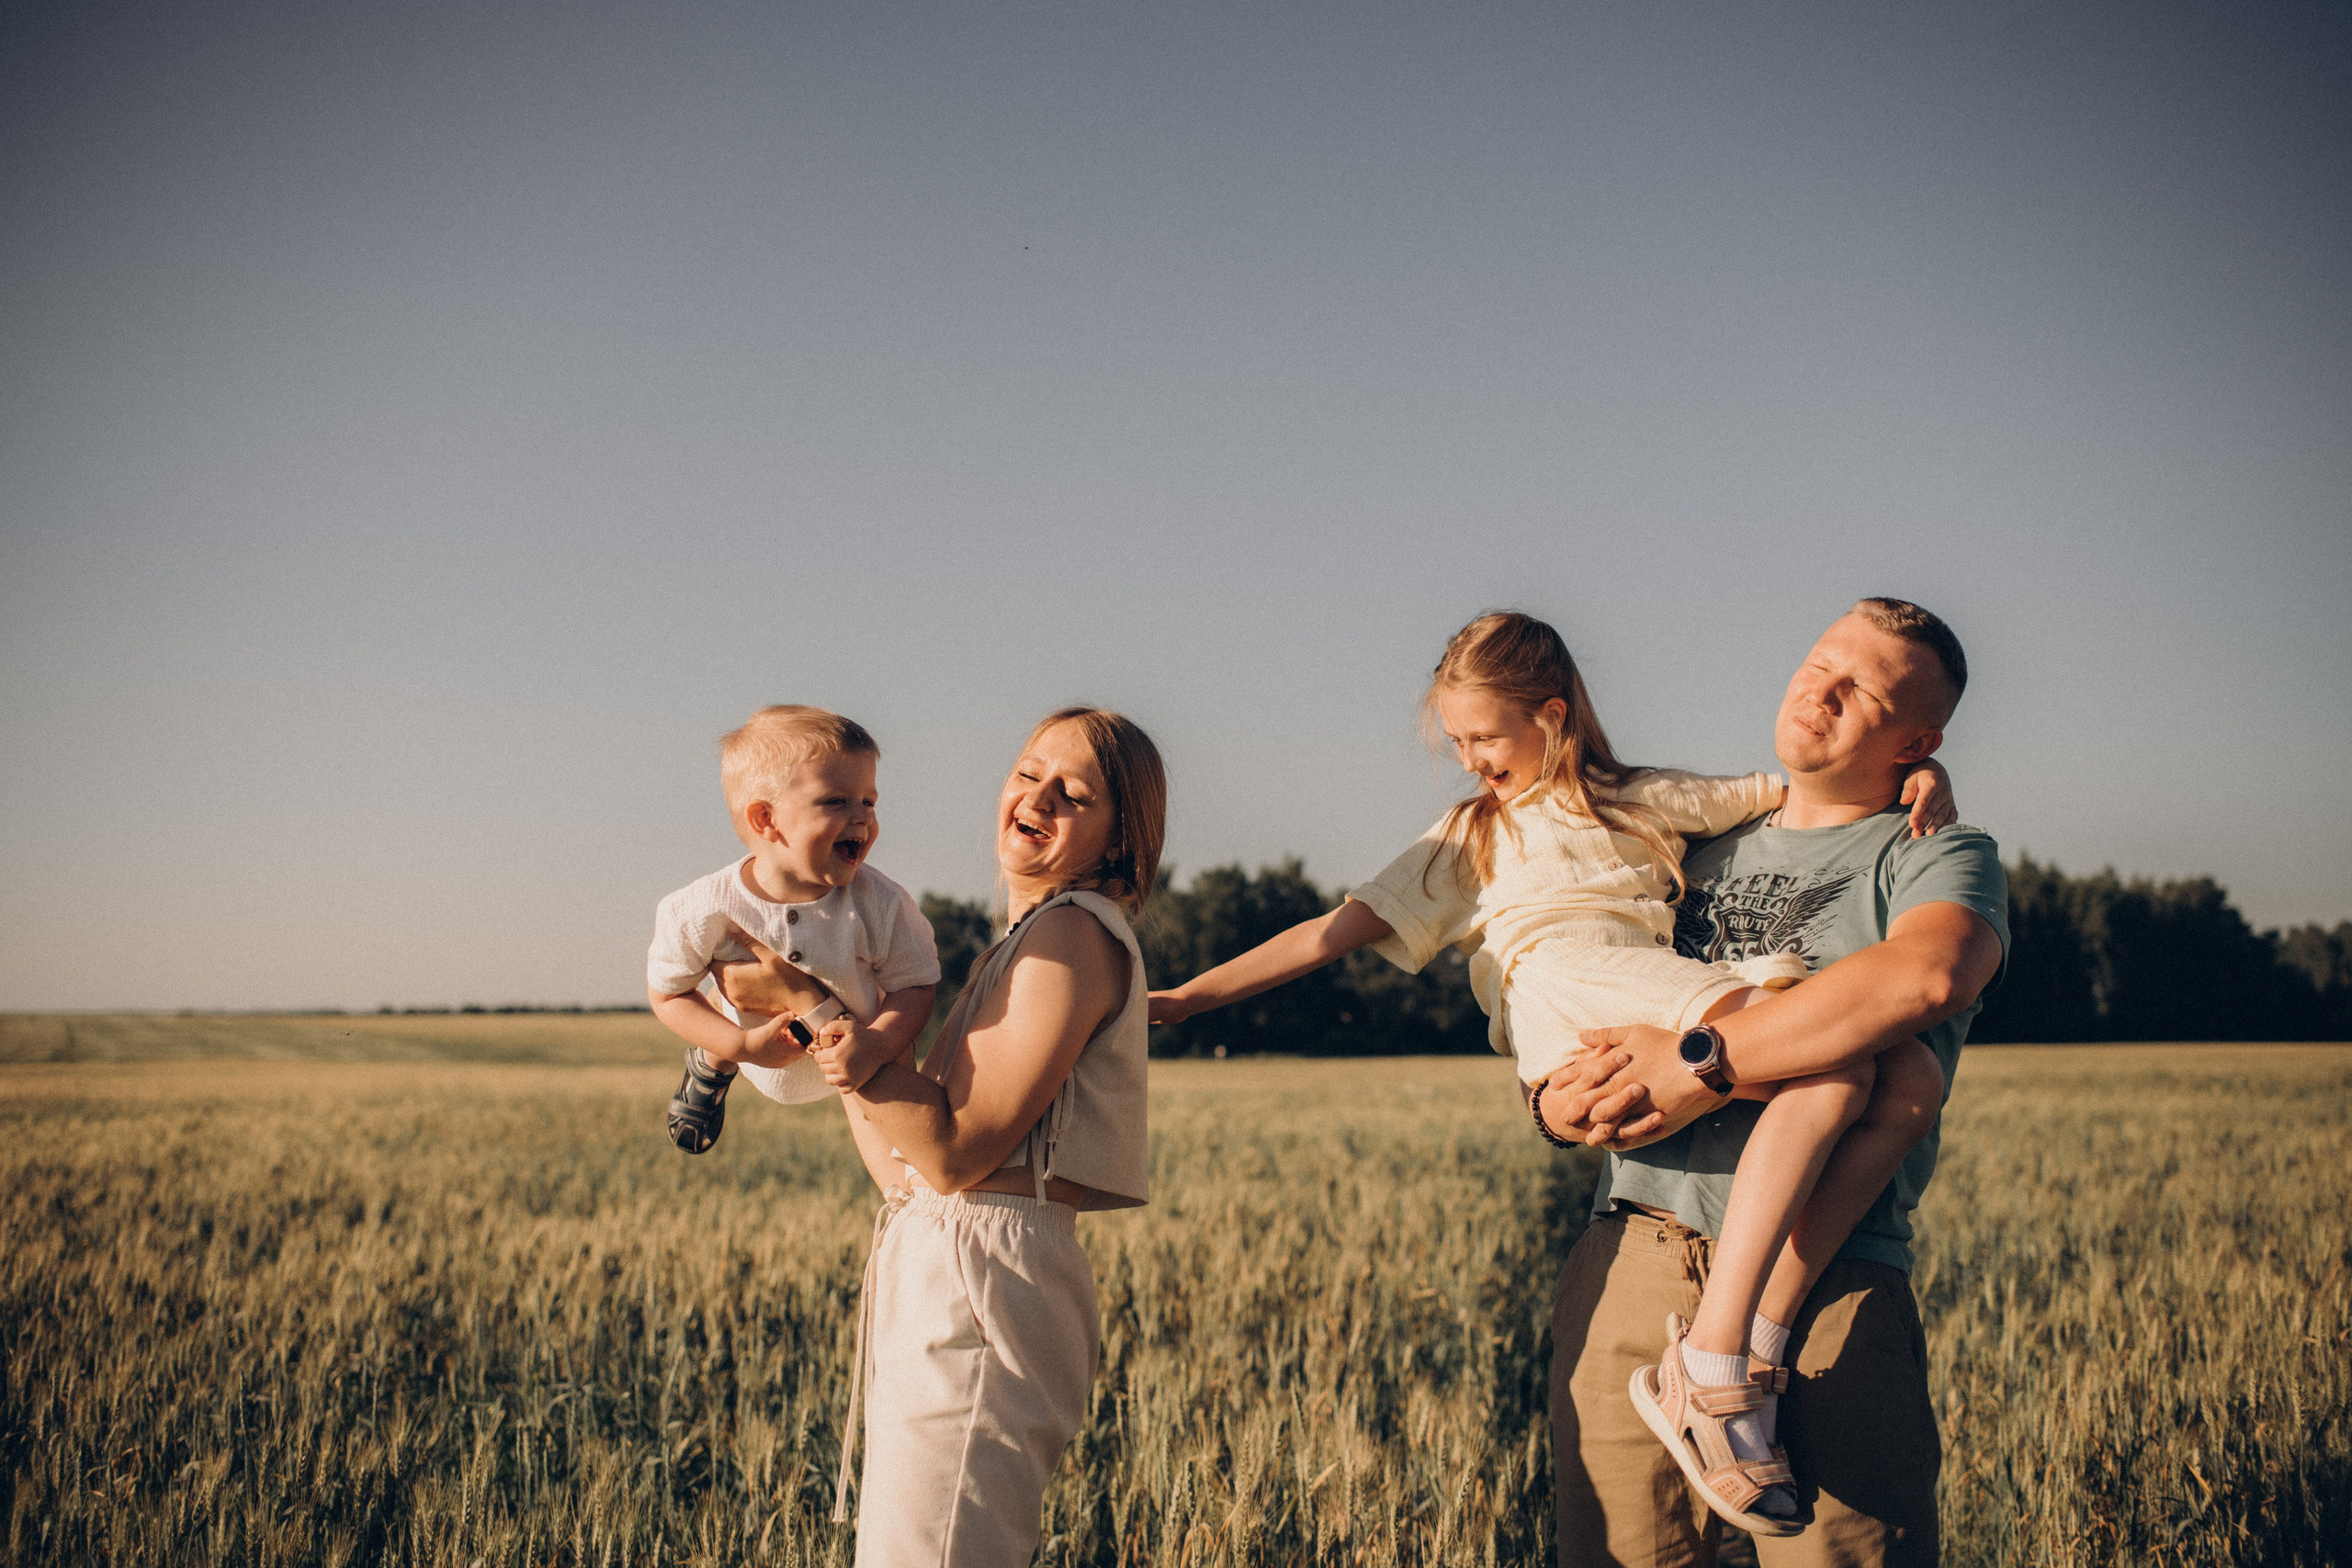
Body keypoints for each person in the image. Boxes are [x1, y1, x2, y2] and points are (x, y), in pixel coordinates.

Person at [1148, 610, 1953, 1531]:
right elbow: (1333, 932)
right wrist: (1188, 998)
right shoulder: (1468, 836)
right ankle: (1719, 1363)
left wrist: (1915, 772)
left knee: (1850, 1080)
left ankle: (1736, 1352)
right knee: (1826, 1056)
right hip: (1563, 986)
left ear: (1554, 715)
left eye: (1483, 737)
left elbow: (1798, 792)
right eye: (1455, 740)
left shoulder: (1641, 798)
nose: (1469, 759)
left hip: (1654, 992)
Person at [1543, 598, 2007, 1567]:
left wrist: (1697, 1065)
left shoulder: (1933, 853)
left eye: (1861, 689)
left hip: (1831, 1272)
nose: (1818, 690)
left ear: (1916, 739)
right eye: (1818, 661)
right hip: (1636, 1256)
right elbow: (1559, 968)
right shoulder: (1678, 848)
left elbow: (1925, 976)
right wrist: (1549, 1097)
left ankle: (1725, 1359)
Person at [716, 706, 1165, 1568]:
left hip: (983, 1277)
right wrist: (825, 1005)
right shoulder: (1020, 945)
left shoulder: (1071, 936)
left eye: (1075, 793)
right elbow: (907, 1167)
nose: (1039, 796)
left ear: (1120, 841)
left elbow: (956, 1153)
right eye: (1030, 771)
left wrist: (812, 1008)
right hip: (944, 1260)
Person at [648, 705, 940, 1154]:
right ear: (766, 820)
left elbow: (916, 986)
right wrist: (741, 1045)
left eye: (869, 800)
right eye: (835, 801)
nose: (862, 816)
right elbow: (668, 993)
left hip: (854, 1050)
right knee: (725, 996)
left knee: (903, 1153)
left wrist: (879, 1044)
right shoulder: (704, 908)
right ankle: (712, 1065)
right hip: (749, 1045)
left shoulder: (881, 903)